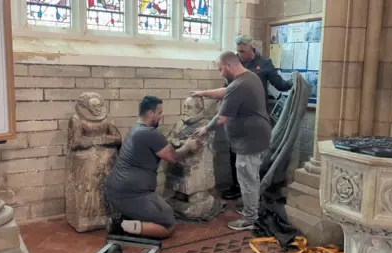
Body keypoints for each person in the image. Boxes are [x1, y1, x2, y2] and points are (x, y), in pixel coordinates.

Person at [198, 35, 293, 201]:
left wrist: (294, 82)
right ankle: (241, 191)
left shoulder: (263, 65)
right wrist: (205, 93)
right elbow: (228, 90)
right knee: (237, 160)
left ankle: (250, 206)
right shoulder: (238, 66)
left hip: (252, 122)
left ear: (251, 48)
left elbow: (281, 85)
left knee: (249, 167)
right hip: (237, 122)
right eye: (238, 51)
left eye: (243, 51)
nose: (240, 54)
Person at [193, 51, 272, 231]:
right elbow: (226, 91)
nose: (220, 73)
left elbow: (221, 118)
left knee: (247, 179)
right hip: (256, 137)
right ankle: (252, 209)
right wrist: (204, 93)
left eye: (220, 69)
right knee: (250, 177)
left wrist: (205, 129)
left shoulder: (241, 84)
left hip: (250, 141)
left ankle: (251, 219)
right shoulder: (249, 77)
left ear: (228, 65)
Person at [105, 96, 200, 239]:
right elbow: (173, 157)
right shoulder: (150, 133)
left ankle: (127, 220)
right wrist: (188, 146)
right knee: (168, 225)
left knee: (161, 209)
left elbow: (162, 148)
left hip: (117, 191)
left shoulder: (136, 128)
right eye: (159, 113)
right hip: (132, 194)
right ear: (150, 113)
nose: (161, 116)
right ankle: (120, 225)